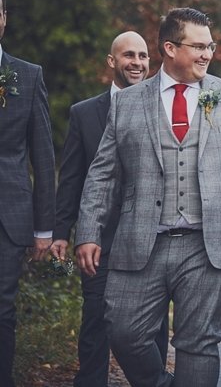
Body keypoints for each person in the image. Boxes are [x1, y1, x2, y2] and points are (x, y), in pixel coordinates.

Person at [75, 7, 221, 387]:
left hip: (209, 242)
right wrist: (88, 231)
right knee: (123, 331)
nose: (207, 54)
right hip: (140, 240)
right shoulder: (129, 101)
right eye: (198, 46)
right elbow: (103, 172)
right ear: (169, 48)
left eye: (210, 46)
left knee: (198, 342)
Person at [50, 31, 169, 386]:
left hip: (151, 239)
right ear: (111, 61)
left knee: (154, 324)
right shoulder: (85, 114)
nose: (137, 62)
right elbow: (72, 179)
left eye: (144, 56)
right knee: (96, 322)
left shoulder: (168, 109)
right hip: (99, 239)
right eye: (129, 55)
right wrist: (61, 232)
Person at [0, 0, 56, 387]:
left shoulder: (27, 74)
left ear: (4, 18)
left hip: (9, 216)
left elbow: (44, 156)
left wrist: (44, 228)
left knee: (2, 308)